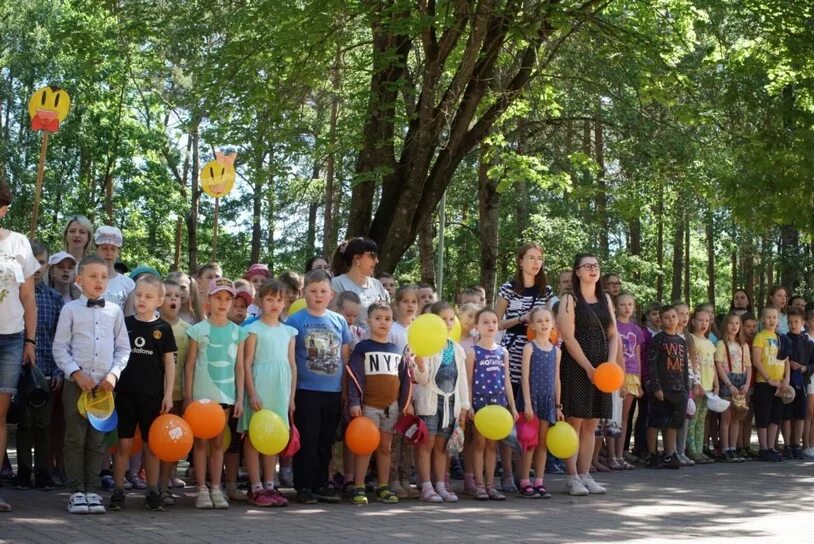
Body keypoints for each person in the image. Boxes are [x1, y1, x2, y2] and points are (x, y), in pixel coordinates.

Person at [53, 255, 131, 514]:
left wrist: (113, 375)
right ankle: (76, 491)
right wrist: (76, 373)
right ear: (79, 280)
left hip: (103, 388)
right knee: (75, 438)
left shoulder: (114, 311)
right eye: (92, 276)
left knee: (97, 440)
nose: (99, 281)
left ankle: (92, 491)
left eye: (103, 277)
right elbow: (60, 348)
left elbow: (123, 349)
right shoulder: (70, 310)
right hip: (77, 385)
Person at [109, 275, 176, 511]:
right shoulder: (124, 323)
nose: (142, 300)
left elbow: (169, 364)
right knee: (124, 445)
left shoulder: (163, 329)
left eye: (148, 296)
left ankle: (153, 490)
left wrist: (168, 394)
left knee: (152, 445)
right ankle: (118, 491)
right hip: (125, 394)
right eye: (138, 295)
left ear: (159, 300)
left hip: (153, 397)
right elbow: (114, 355)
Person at [286, 269, 351, 505]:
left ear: (331, 294)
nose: (318, 295)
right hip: (306, 391)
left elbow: (345, 359)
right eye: (313, 291)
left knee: (326, 441)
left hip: (333, 392)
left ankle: (321, 484)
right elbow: (290, 358)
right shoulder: (296, 320)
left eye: (323, 291)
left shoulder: (339, 321)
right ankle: (303, 486)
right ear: (305, 293)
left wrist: (345, 390)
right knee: (309, 440)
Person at [557, 253, 618, 496]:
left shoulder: (605, 299)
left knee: (592, 422)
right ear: (578, 272)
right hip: (577, 366)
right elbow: (568, 338)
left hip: (602, 368)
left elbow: (613, 334)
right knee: (576, 420)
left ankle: (585, 474)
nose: (593, 270)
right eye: (587, 266)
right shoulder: (569, 300)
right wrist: (589, 369)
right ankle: (571, 476)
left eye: (596, 265)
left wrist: (610, 365)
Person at [494, 243, 553, 492]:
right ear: (520, 261)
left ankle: (527, 475)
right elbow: (495, 322)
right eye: (531, 258)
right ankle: (507, 473)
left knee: (533, 420)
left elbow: (549, 322)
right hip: (513, 353)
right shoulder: (508, 288)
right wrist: (521, 319)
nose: (535, 263)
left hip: (539, 355)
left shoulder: (546, 291)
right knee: (511, 414)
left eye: (539, 258)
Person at [185, 277, 247, 509]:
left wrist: (240, 397)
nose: (223, 303)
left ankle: (216, 488)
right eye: (218, 297)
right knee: (200, 443)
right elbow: (190, 365)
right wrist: (189, 397)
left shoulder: (238, 332)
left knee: (219, 442)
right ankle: (201, 488)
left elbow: (240, 366)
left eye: (228, 299)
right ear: (208, 300)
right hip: (201, 397)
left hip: (225, 396)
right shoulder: (197, 330)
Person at [346, 302, 411, 505]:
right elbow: (354, 376)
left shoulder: (395, 350)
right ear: (368, 321)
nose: (383, 322)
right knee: (364, 447)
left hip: (390, 408)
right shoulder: (362, 348)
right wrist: (355, 401)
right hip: (368, 407)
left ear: (392, 322)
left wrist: (404, 404)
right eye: (378, 318)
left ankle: (383, 486)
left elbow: (404, 379)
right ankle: (358, 486)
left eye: (387, 319)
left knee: (385, 447)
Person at [240, 280, 297, 507]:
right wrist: (252, 393)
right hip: (260, 386)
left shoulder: (289, 331)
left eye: (279, 299)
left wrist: (291, 398)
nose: (275, 304)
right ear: (260, 301)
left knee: (274, 435)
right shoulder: (252, 329)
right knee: (255, 435)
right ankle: (255, 487)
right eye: (269, 299)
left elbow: (292, 365)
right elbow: (246, 363)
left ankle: (270, 485)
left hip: (280, 389)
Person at [0, 184, 39, 512]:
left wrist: (30, 340)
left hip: (12, 339)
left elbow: (28, 298)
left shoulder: (19, 243)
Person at [14, 241, 62, 491]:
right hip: (19, 370)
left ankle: (42, 472)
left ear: (47, 264)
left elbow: (62, 339)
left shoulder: (55, 300)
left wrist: (58, 370)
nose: (36, 267)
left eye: (41, 262)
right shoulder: (12, 295)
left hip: (46, 369)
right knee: (24, 423)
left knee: (43, 425)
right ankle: (23, 472)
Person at [413, 301, 470, 503]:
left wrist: (464, 405)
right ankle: (426, 486)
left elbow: (462, 379)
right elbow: (422, 379)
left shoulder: (457, 349)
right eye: (442, 319)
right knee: (427, 443)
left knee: (442, 445)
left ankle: (440, 485)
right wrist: (419, 367)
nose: (447, 323)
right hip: (430, 402)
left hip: (450, 404)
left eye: (450, 319)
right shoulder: (427, 346)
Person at [466, 308, 519, 501]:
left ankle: (490, 484)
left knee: (492, 446)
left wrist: (512, 407)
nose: (490, 326)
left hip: (498, 404)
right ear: (477, 327)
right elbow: (469, 380)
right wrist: (469, 405)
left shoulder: (502, 351)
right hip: (480, 402)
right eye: (485, 322)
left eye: (494, 322)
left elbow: (506, 381)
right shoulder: (473, 352)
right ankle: (478, 485)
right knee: (479, 444)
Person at [517, 307, 562, 498]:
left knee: (543, 443)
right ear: (533, 325)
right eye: (540, 321)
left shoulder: (556, 351)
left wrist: (558, 405)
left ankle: (539, 481)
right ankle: (525, 481)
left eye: (547, 320)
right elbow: (524, 377)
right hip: (532, 400)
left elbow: (557, 379)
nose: (544, 324)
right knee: (530, 442)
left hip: (548, 401)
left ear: (553, 324)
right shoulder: (529, 348)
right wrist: (527, 403)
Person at [157, 278, 191, 503]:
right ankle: (154, 485)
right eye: (168, 295)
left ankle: (166, 484)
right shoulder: (152, 326)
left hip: (177, 395)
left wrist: (188, 395)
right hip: (154, 394)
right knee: (154, 441)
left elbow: (191, 365)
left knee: (170, 441)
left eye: (177, 296)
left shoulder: (189, 330)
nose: (173, 300)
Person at [387, 284, 421, 499]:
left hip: (417, 391)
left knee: (411, 435)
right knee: (395, 436)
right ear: (396, 304)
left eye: (414, 302)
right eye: (405, 301)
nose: (410, 305)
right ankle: (392, 479)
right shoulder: (392, 330)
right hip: (397, 390)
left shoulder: (420, 329)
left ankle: (406, 477)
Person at [646, 305, 689, 469]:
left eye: (673, 317)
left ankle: (670, 454)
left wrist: (686, 390)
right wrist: (656, 387)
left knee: (674, 422)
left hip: (679, 389)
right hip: (662, 388)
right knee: (656, 421)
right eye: (667, 317)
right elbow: (652, 365)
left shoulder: (681, 341)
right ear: (661, 320)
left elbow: (684, 367)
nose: (671, 320)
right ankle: (652, 454)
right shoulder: (658, 339)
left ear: (678, 319)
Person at [751, 306, 788, 461]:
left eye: (774, 317)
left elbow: (786, 361)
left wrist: (786, 380)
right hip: (764, 383)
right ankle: (764, 448)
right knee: (763, 416)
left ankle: (771, 447)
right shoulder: (760, 337)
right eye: (768, 317)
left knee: (775, 417)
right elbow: (757, 361)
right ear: (762, 320)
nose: (772, 320)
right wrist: (768, 379)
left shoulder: (781, 338)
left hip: (780, 384)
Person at [330, 237, 389, 331]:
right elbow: (332, 321)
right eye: (372, 255)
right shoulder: (336, 284)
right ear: (356, 258)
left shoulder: (377, 285)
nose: (377, 261)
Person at [715, 312, 751, 462]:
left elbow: (748, 366)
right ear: (725, 325)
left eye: (737, 323)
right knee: (726, 417)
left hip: (741, 381)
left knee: (737, 417)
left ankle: (733, 448)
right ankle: (725, 449)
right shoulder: (721, 344)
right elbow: (718, 365)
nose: (734, 326)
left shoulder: (744, 345)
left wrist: (747, 384)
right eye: (731, 323)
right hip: (727, 381)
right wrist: (729, 384)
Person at [614, 293, 644, 469]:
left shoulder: (637, 330)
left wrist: (638, 380)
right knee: (614, 416)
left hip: (632, 375)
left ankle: (620, 454)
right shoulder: (613, 326)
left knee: (625, 417)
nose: (627, 307)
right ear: (616, 306)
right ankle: (611, 454)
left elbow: (638, 355)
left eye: (630, 304)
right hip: (616, 373)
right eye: (623, 304)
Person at [686, 309, 718, 463]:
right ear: (693, 322)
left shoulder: (710, 342)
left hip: (708, 387)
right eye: (700, 320)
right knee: (692, 418)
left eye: (707, 321)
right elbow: (692, 364)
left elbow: (712, 366)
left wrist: (716, 384)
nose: (704, 323)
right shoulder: (690, 339)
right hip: (696, 386)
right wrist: (695, 384)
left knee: (702, 419)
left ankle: (699, 449)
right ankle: (691, 449)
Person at [781, 308, 811, 459]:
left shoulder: (808, 342)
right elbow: (779, 359)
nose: (793, 325)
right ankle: (786, 445)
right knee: (786, 415)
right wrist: (788, 364)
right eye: (790, 322)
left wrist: (805, 367)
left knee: (800, 414)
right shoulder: (784, 339)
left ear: (803, 323)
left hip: (803, 382)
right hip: (787, 382)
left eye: (796, 322)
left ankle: (796, 445)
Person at [93, 226, 135, 314]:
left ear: (118, 252)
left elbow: (128, 319)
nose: (109, 253)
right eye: (104, 248)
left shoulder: (129, 284)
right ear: (96, 250)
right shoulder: (85, 281)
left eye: (113, 249)